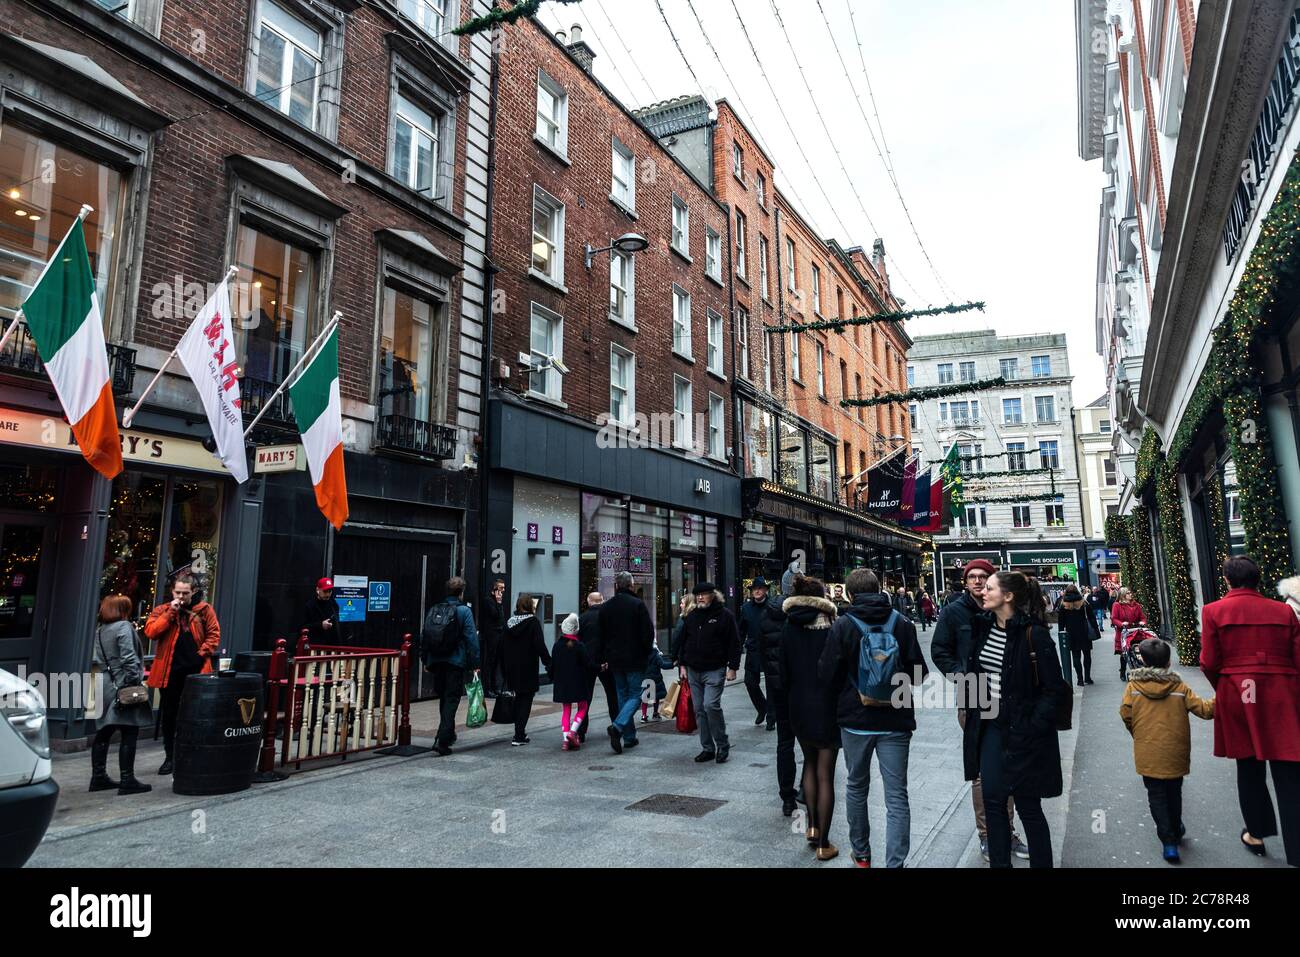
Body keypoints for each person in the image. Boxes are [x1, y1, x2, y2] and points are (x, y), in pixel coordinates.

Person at [818, 568, 928, 866]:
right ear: (880, 589)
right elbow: (919, 674)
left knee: (856, 786)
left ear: (850, 594)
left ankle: (862, 854)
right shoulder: (902, 623)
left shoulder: (842, 626)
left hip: (855, 722)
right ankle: (895, 863)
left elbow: (826, 676)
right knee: (896, 795)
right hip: (896, 721)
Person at [963, 570, 1068, 869]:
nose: (984, 591)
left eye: (991, 588)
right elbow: (973, 671)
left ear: (1007, 596)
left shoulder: (1034, 634)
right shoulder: (981, 627)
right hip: (990, 727)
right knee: (994, 804)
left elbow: (1053, 689)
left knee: (1028, 806)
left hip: (1024, 732)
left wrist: (1031, 726)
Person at [1200, 556, 1300, 866]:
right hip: (1282, 690)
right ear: (1258, 579)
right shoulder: (1283, 611)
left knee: (1249, 766)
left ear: (1228, 580)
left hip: (1239, 691)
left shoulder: (1213, 611)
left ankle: (1256, 833)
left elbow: (1209, 661)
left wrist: (1227, 687)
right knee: (1289, 771)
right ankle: (1297, 849)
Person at [930, 559, 1029, 862]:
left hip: (1008, 696)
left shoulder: (1000, 608)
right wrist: (962, 673)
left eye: (982, 577)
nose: (976, 582)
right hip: (973, 697)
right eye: (971, 577)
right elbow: (939, 651)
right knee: (984, 772)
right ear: (965, 581)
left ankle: (1008, 832)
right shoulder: (953, 613)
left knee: (1009, 765)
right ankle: (988, 835)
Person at [1120, 636, 1215, 863]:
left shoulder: (1134, 688)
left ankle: (1168, 841)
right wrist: (1222, 695)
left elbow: (1126, 714)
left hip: (1148, 751)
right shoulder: (1180, 688)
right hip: (1176, 751)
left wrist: (1138, 734)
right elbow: (1204, 710)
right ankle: (1176, 826)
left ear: (1143, 662)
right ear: (1169, 663)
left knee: (1156, 796)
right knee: (1174, 792)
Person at [778, 576, 839, 838]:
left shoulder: (789, 626)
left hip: (798, 704)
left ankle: (812, 827)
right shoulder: (832, 625)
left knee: (810, 764)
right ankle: (824, 841)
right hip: (829, 705)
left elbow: (782, 672)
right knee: (826, 772)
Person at [144, 575, 220, 775]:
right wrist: (171, 612)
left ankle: (191, 754)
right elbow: (151, 632)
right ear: (172, 591)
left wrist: (200, 655)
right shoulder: (162, 610)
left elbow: (214, 635)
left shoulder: (204, 610)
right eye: (177, 592)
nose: (181, 596)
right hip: (169, 673)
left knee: (194, 715)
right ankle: (171, 756)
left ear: (193, 591)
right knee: (169, 716)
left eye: (185, 593)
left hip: (196, 672)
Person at [89, 595, 153, 795]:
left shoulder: (100, 631)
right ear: (122, 610)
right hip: (123, 684)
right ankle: (127, 779)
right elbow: (128, 657)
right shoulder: (124, 627)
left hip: (104, 684)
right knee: (129, 731)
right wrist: (134, 680)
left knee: (104, 732)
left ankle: (98, 777)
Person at [677, 583, 742, 764]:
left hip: (715, 669)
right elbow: (684, 642)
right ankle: (707, 748)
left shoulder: (724, 616)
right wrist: (682, 665)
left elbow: (734, 643)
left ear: (713, 595)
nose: (700, 598)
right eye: (697, 595)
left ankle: (722, 744)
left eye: (704, 595)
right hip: (693, 670)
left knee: (710, 705)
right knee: (699, 710)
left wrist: (733, 667)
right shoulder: (692, 616)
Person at [593, 571, 655, 754]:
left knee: (622, 695)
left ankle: (629, 737)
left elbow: (600, 636)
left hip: (614, 660)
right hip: (635, 658)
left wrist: (603, 657)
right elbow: (647, 633)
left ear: (616, 586)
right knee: (636, 695)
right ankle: (618, 726)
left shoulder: (606, 607)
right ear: (630, 585)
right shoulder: (637, 605)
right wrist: (647, 653)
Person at [422, 576, 480, 756]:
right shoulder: (464, 611)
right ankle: (444, 739)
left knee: (444, 698)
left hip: (436, 660)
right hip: (455, 661)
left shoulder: (435, 609)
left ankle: (445, 732)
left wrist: (425, 659)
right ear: (461, 592)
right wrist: (475, 663)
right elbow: (471, 638)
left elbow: (425, 635)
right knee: (451, 698)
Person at [754, 581, 795, 812]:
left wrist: (770, 678)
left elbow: (762, 652)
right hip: (801, 691)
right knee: (811, 744)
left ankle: (787, 797)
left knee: (784, 742)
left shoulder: (764, 619)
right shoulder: (796, 620)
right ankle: (806, 788)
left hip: (777, 688)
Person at [502, 594, 552, 746]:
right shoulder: (533, 622)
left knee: (517, 698)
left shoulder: (509, 622)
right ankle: (519, 734)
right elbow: (539, 644)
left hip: (511, 667)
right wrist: (548, 663)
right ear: (531, 606)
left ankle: (519, 731)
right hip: (527, 667)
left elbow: (502, 646)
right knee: (526, 700)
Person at [576, 591, 615, 744]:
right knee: (612, 695)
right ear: (602, 601)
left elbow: (577, 641)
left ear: (588, 601)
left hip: (588, 663)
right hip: (606, 662)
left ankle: (581, 730)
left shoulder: (582, 618)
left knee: (585, 698)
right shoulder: (609, 618)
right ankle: (616, 726)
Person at [552, 613, 595, 750]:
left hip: (562, 682)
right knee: (583, 706)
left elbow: (553, 665)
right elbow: (588, 664)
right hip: (578, 681)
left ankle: (565, 740)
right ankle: (573, 731)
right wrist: (600, 667)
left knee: (566, 709)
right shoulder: (579, 645)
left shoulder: (557, 645)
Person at [738, 578, 777, 729]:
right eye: (755, 589)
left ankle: (772, 717)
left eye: (760, 588)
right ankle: (762, 708)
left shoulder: (773, 606)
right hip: (753, 650)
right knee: (750, 682)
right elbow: (741, 631)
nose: (757, 591)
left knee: (771, 684)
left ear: (766, 590)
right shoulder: (746, 608)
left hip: (769, 649)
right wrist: (736, 651)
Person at [1057, 585, 1099, 685]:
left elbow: (1061, 622)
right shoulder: (1083, 602)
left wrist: (1061, 633)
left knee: (1076, 657)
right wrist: (1096, 630)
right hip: (1084, 632)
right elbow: (1092, 617)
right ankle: (1087, 677)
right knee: (1087, 656)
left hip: (1071, 633)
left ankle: (1080, 679)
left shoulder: (1063, 604)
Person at [1111, 587, 1148, 681]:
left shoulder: (1136, 605)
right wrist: (1121, 623)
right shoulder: (1117, 605)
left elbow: (1142, 617)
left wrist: (1143, 622)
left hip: (1136, 631)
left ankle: (1141, 668)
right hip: (1124, 632)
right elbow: (1114, 618)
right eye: (1128, 593)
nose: (1130, 594)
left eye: (1130, 593)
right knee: (1124, 654)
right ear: (1123, 595)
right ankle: (1122, 670)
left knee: (1138, 650)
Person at [479, 578, 507, 698]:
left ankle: (495, 687)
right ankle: (487, 688)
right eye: (501, 588)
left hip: (498, 634)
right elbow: (495, 615)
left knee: (496, 662)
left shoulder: (497, 601)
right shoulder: (488, 601)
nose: (503, 591)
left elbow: (501, 618)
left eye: (503, 588)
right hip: (491, 636)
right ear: (494, 590)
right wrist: (499, 603)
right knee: (489, 662)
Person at [301, 577, 340, 646]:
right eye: (325, 591)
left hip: (331, 645)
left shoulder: (333, 604)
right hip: (315, 646)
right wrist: (320, 625)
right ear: (317, 590)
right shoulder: (310, 605)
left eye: (330, 591)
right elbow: (302, 627)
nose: (328, 594)